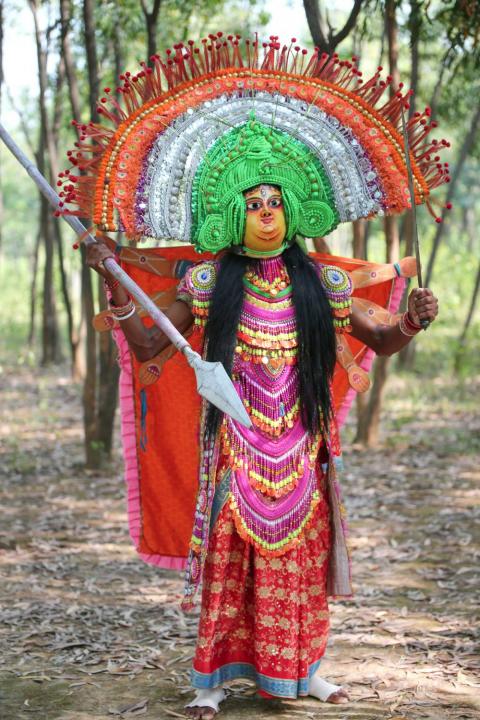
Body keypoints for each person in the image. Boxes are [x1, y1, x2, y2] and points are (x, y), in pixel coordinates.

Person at [59, 34, 447, 720]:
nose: (268, 209)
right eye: (255, 199)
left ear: (295, 208)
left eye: (277, 199)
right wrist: (118, 287)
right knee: (229, 567)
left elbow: (379, 339)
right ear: (234, 210)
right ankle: (211, 682)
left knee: (298, 566)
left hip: (299, 448)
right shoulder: (210, 279)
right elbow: (153, 339)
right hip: (234, 448)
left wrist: (411, 321)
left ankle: (305, 671)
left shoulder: (322, 281)